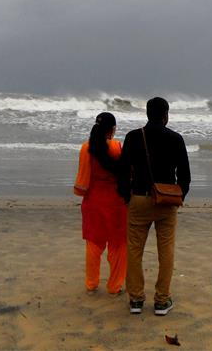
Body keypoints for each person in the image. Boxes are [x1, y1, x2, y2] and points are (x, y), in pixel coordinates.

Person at [118, 97, 191, 316]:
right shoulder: (176, 139)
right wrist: (180, 196)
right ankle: (161, 301)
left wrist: (126, 196)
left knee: (134, 250)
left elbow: (122, 171)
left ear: (147, 114)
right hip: (166, 201)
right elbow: (185, 175)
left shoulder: (133, 137)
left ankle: (136, 300)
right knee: (166, 251)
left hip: (139, 198)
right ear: (166, 115)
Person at [73, 112, 127, 295]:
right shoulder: (118, 147)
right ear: (112, 129)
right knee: (118, 246)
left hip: (93, 202)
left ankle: (91, 283)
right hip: (116, 203)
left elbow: (82, 184)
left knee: (93, 245)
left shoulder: (85, 148)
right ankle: (114, 286)